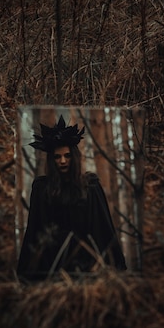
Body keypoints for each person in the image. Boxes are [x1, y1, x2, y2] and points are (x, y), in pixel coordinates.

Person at [17, 116, 126, 281]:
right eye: (57, 157)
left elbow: (103, 229)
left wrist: (109, 267)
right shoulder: (42, 189)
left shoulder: (90, 187)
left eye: (67, 156)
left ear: (74, 157)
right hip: (52, 266)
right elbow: (35, 229)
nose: (62, 161)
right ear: (51, 160)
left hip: (85, 265)